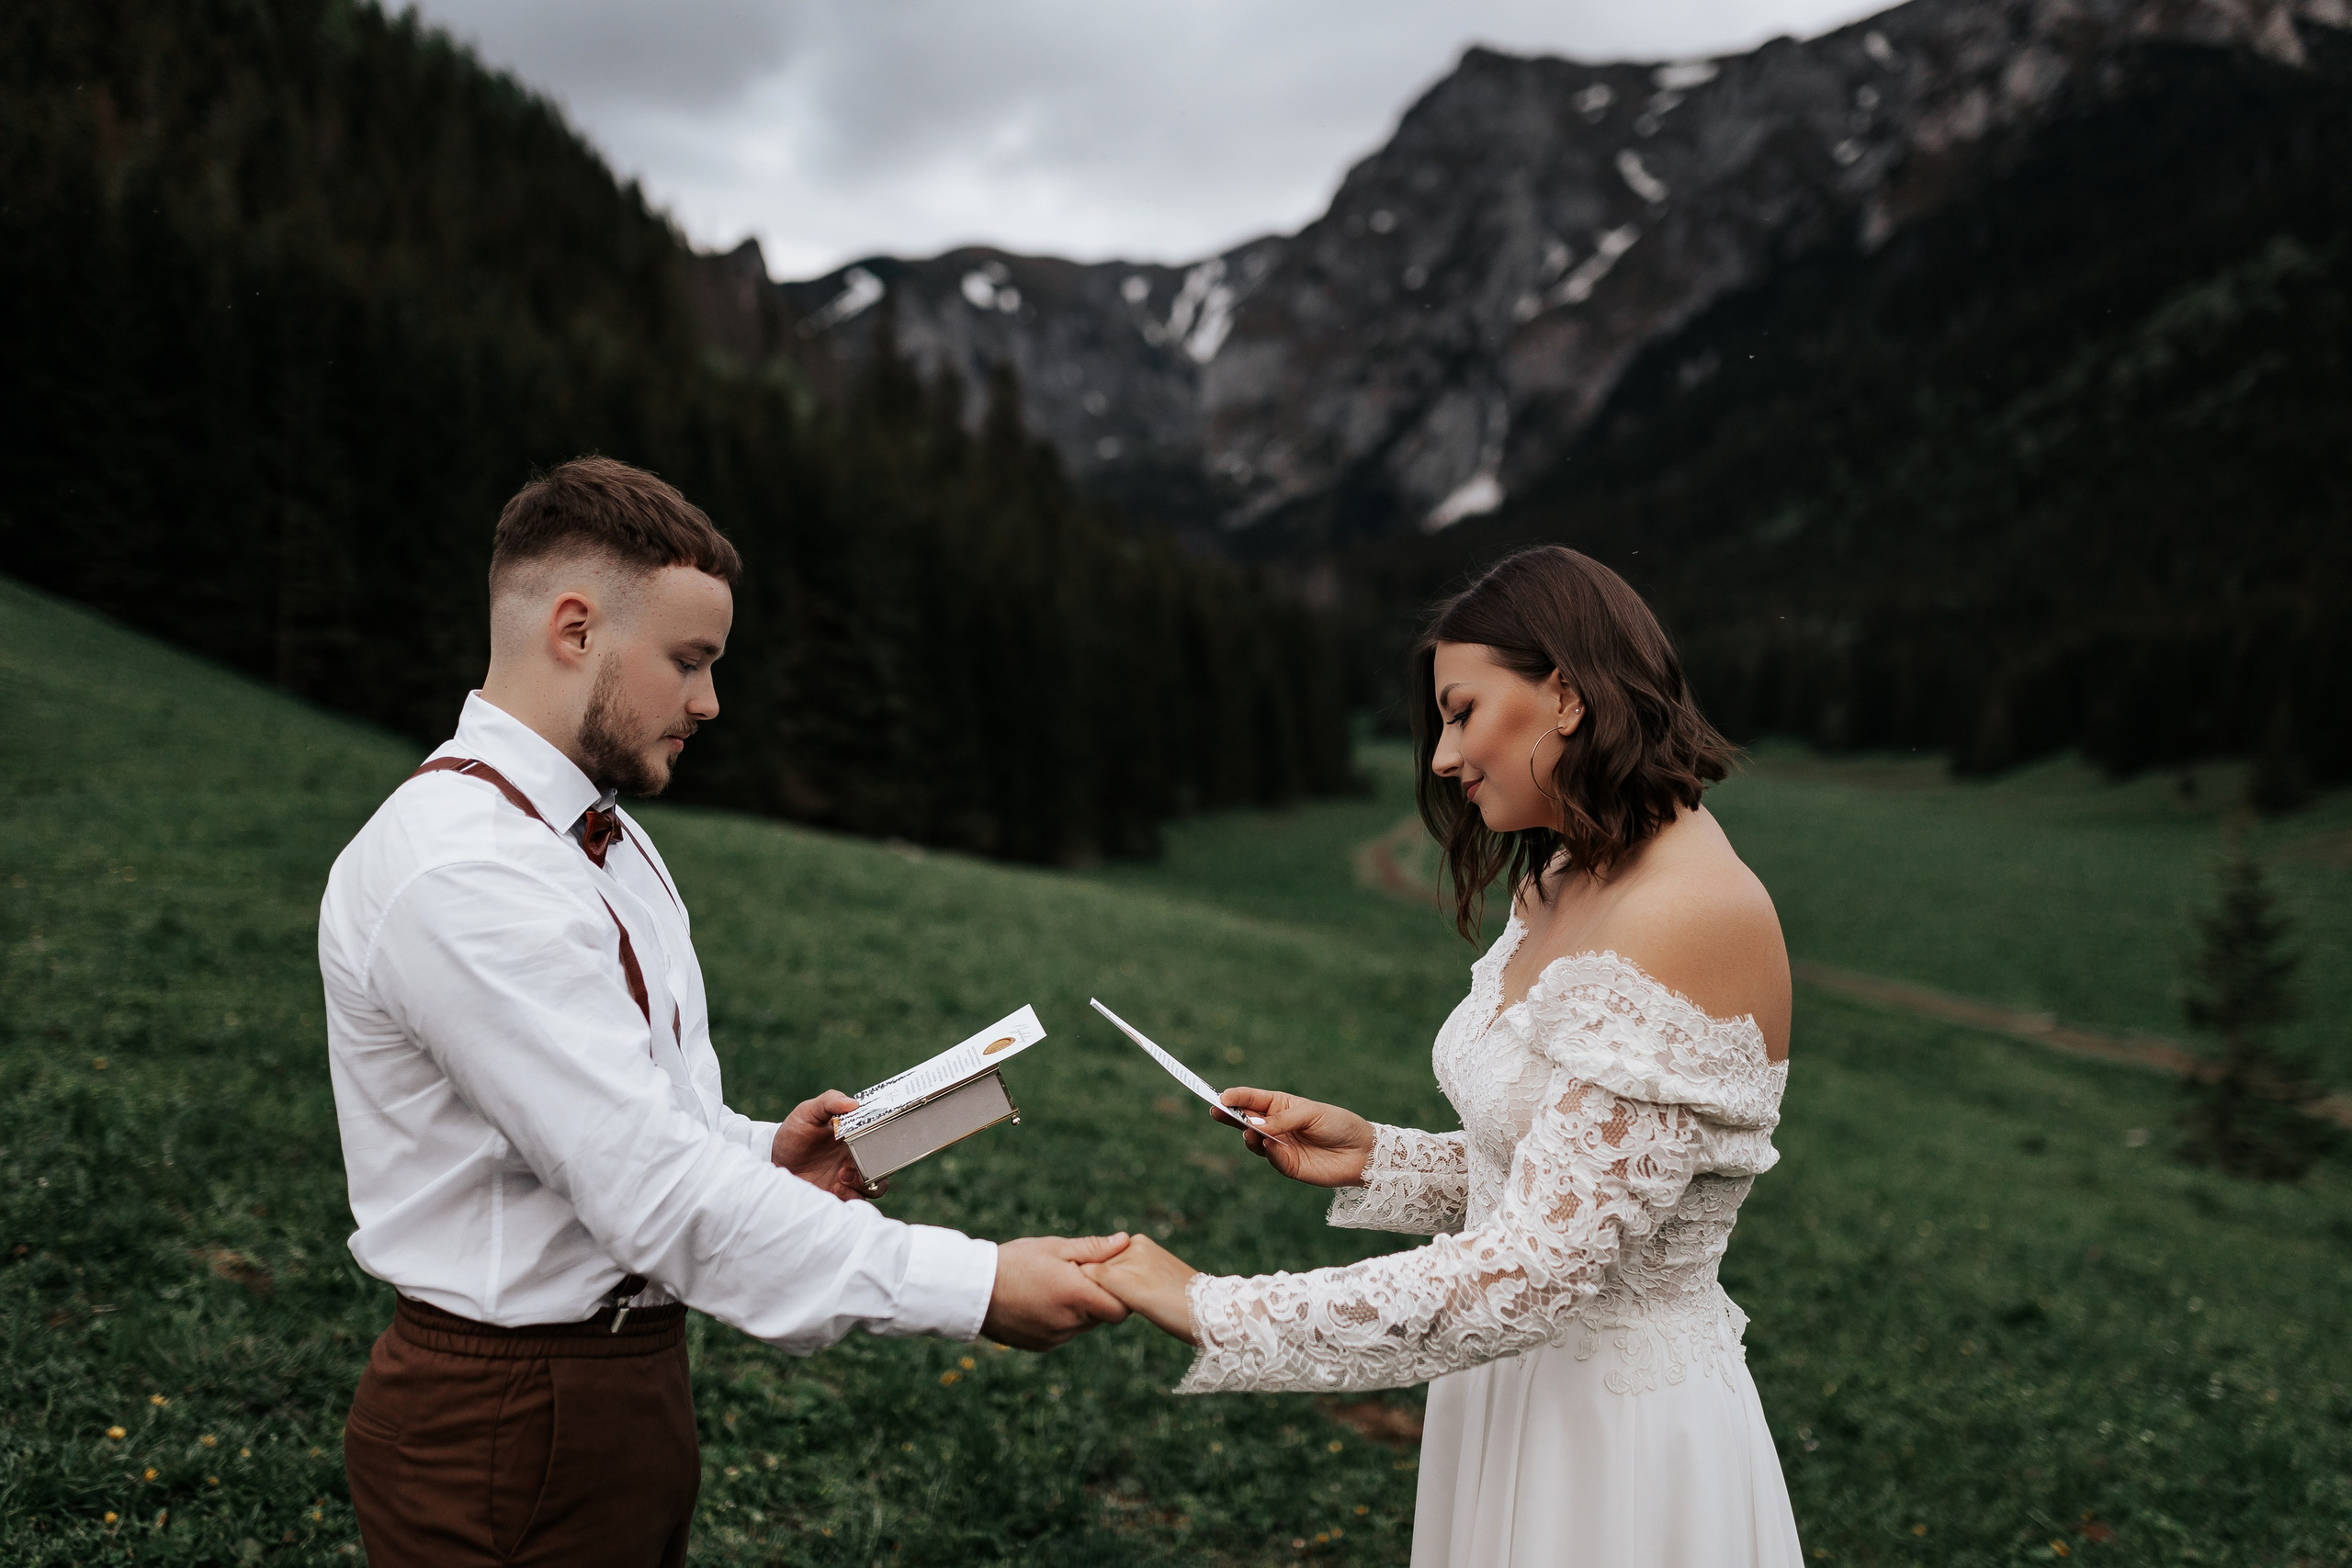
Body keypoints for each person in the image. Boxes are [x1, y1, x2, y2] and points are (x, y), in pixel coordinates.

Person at [318, 457, 1130, 1568]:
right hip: (507, 1414)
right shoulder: (462, 872)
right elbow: (647, 1190)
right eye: (689, 662)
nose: (710, 702)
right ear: (574, 629)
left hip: (621, 1386)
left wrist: (757, 1151)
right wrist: (977, 1285)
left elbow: (625, 1124)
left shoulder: (609, 839)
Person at [1084, 546, 1804, 1566]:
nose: (1440, 757)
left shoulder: (1689, 913)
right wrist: (1377, 1156)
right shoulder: (1566, 870)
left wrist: (1212, 1307)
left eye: (1461, 712)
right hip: (1504, 1394)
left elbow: (1538, 1271)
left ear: (1563, 693)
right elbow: (1572, 1180)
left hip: (1616, 1443)